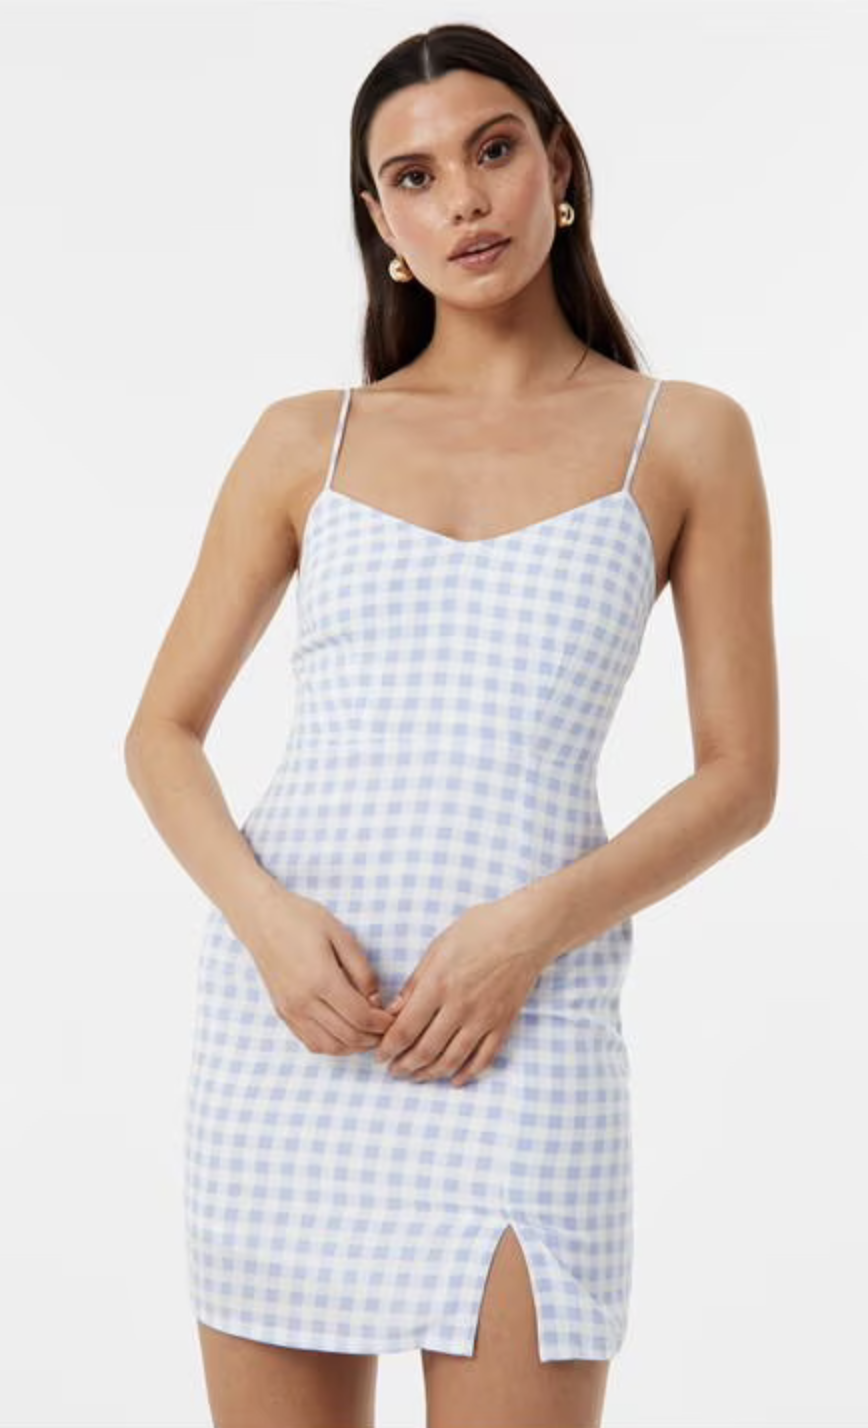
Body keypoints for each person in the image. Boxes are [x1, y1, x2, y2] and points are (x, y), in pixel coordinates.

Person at [124, 22, 778, 1428]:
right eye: (414, 177)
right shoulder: (307, 439)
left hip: (528, 1029)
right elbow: (161, 733)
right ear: (382, 223)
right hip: (295, 1028)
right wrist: (264, 923)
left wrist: (523, 935)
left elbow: (739, 777)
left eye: (493, 151)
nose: (464, 201)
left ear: (559, 167)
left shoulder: (683, 435)